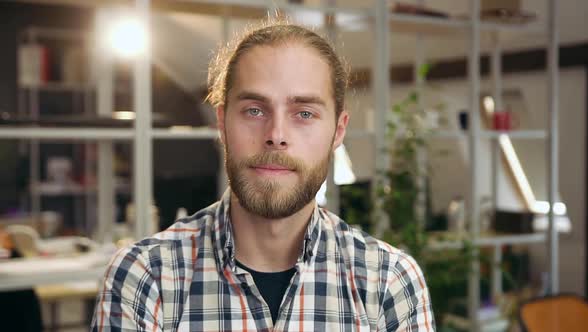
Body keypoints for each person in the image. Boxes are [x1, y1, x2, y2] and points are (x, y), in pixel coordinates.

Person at [92, 19, 434, 331]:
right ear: (222, 123)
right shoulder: (145, 277)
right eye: (254, 110)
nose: (276, 134)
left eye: (303, 113)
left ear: (338, 131)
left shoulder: (389, 281)